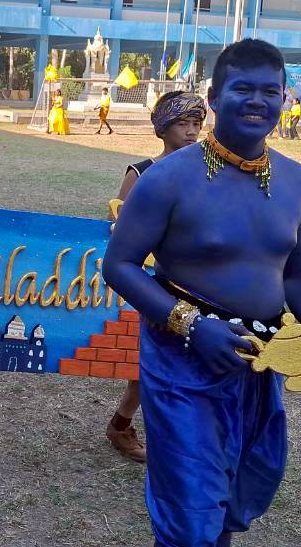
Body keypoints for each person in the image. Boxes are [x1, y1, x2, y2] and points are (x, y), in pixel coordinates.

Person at [103, 38, 301, 547]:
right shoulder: (167, 178)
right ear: (213, 97)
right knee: (190, 513)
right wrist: (191, 326)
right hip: (182, 364)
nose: (258, 101)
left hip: (258, 363)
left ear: (284, 98)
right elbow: (118, 265)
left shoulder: (298, 182)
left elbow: (299, 273)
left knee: (235, 495)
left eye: (270, 91)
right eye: (243, 89)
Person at [105, 91, 207, 464]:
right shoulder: (142, 172)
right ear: (163, 128)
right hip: (147, 283)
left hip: (192, 281)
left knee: (179, 360)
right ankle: (125, 426)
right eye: (183, 124)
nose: (191, 131)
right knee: (148, 359)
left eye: (196, 124)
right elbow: (119, 226)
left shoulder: (207, 172)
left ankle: (130, 425)